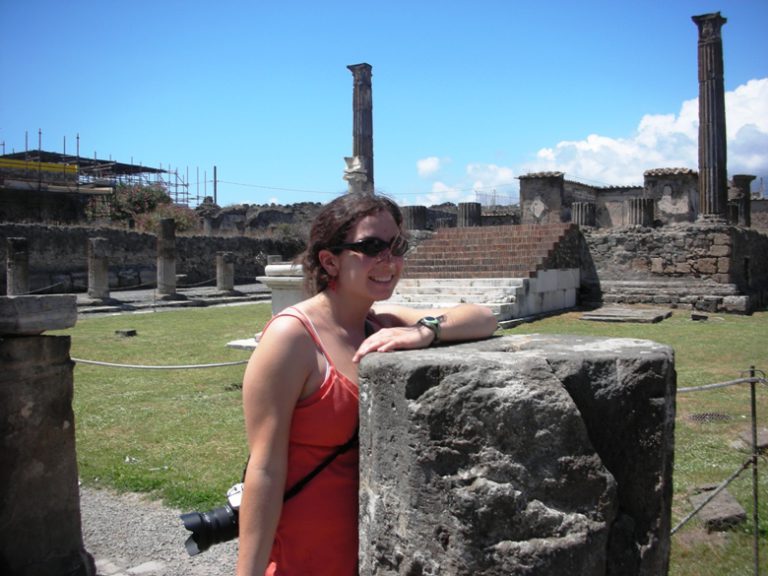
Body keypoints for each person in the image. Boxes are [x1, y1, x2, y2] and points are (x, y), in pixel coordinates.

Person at [236, 192, 497, 575]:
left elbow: (484, 318)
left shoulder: (381, 323)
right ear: (330, 261)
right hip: (305, 558)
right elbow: (264, 471)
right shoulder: (292, 338)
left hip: (375, 553)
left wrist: (426, 331)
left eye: (396, 246)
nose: (388, 261)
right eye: (371, 246)